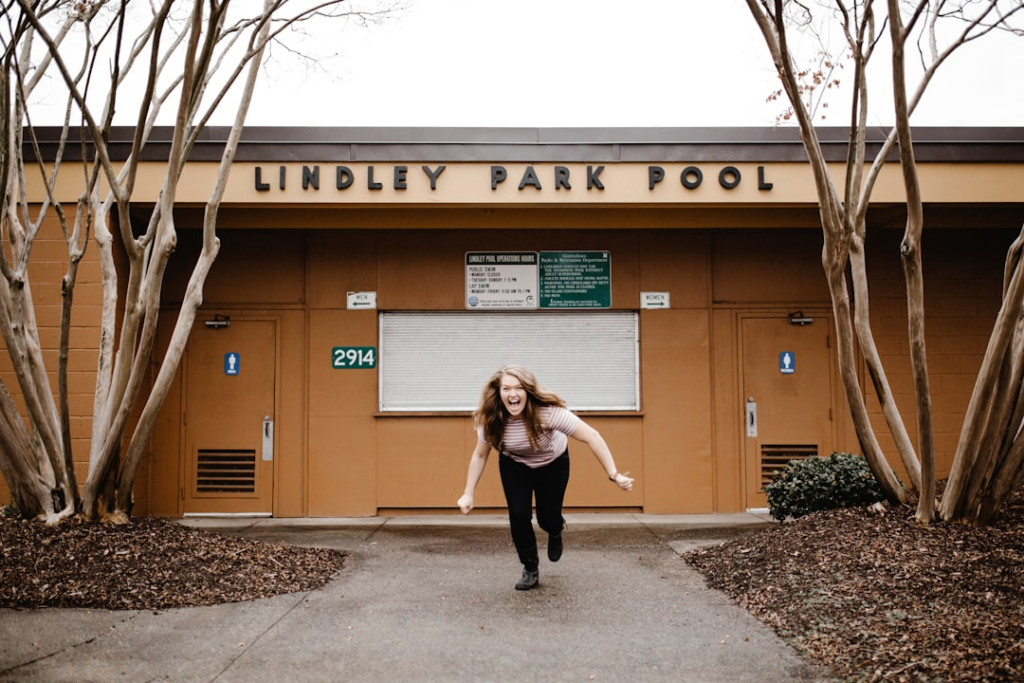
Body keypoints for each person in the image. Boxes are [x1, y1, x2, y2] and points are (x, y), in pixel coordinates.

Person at [457, 365, 635, 591]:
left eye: (519, 388)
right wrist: (468, 493)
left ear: (528, 391)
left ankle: (555, 528)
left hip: (552, 464)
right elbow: (480, 455)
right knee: (519, 515)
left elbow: (592, 436)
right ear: (498, 392)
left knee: (547, 517)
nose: (513, 394)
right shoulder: (492, 419)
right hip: (515, 464)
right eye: (506, 388)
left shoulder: (547, 413)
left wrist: (614, 474)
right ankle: (530, 568)